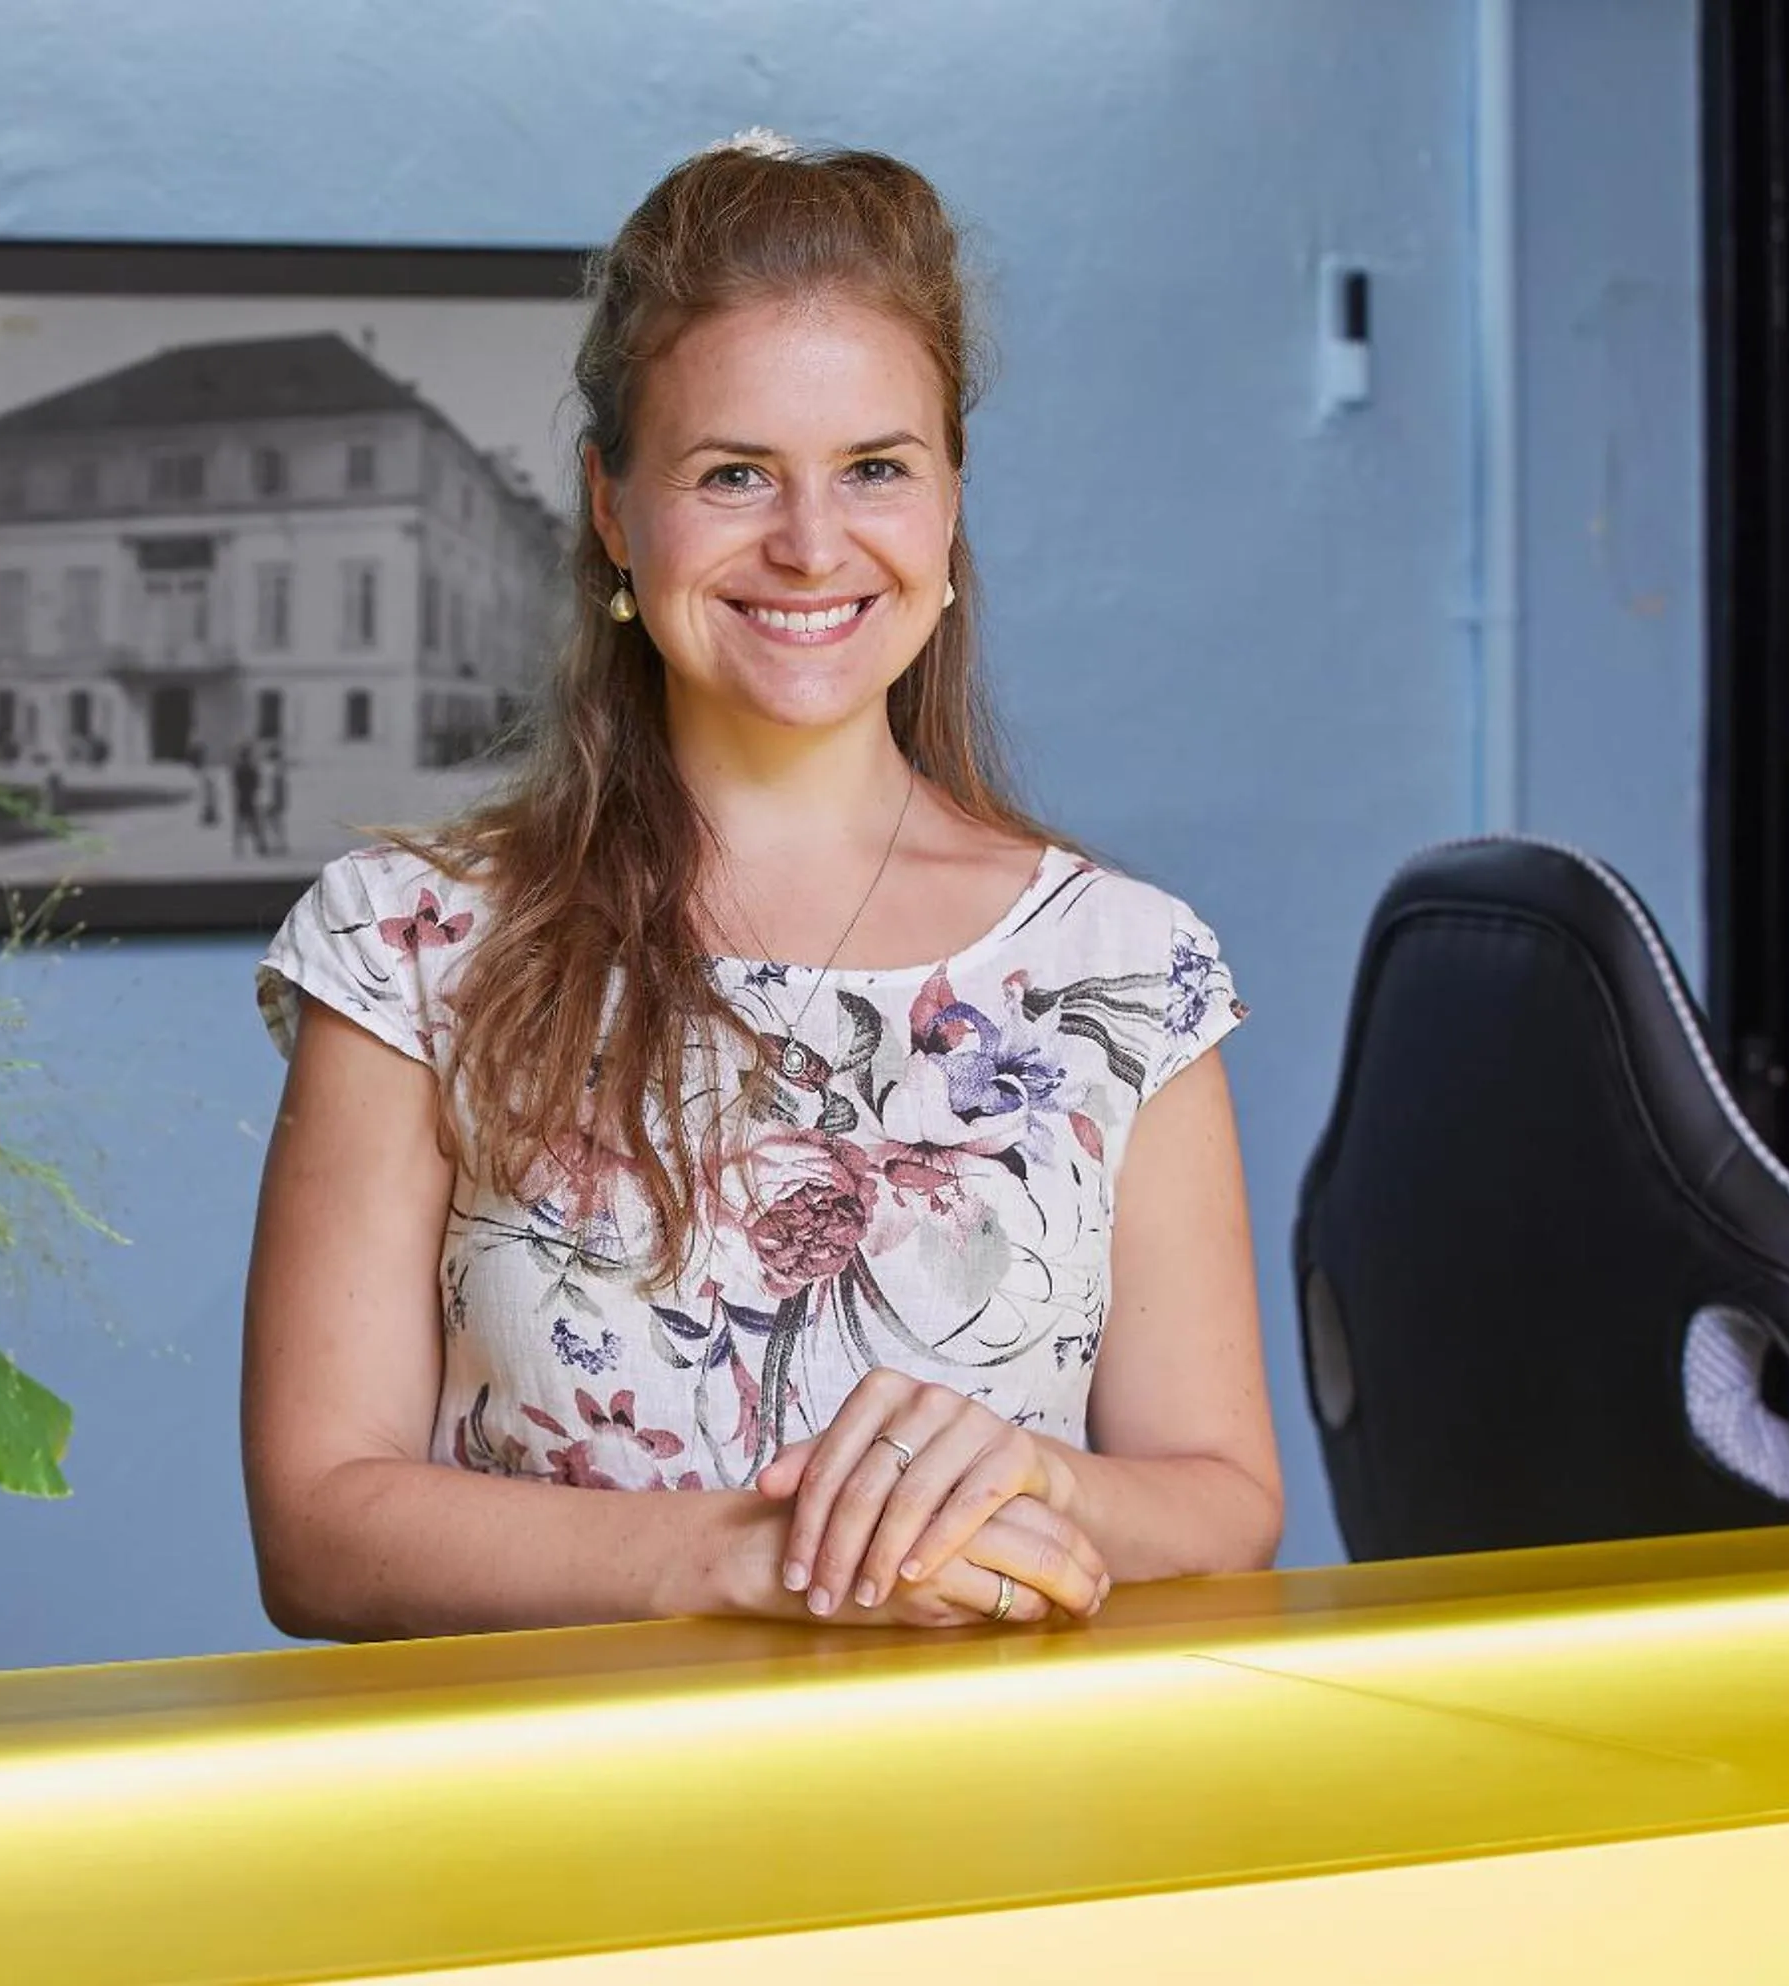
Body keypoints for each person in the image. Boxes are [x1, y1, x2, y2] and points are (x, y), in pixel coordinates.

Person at [243, 136, 1281, 1641]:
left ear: (946, 506)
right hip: (550, 1839)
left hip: (1006, 1832)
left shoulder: (1129, 963)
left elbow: (1224, 1498)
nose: (809, 545)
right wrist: (738, 1556)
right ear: (612, 506)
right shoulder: (405, 938)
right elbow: (318, 1528)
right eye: (733, 474)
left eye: (874, 468)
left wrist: (1038, 1482)